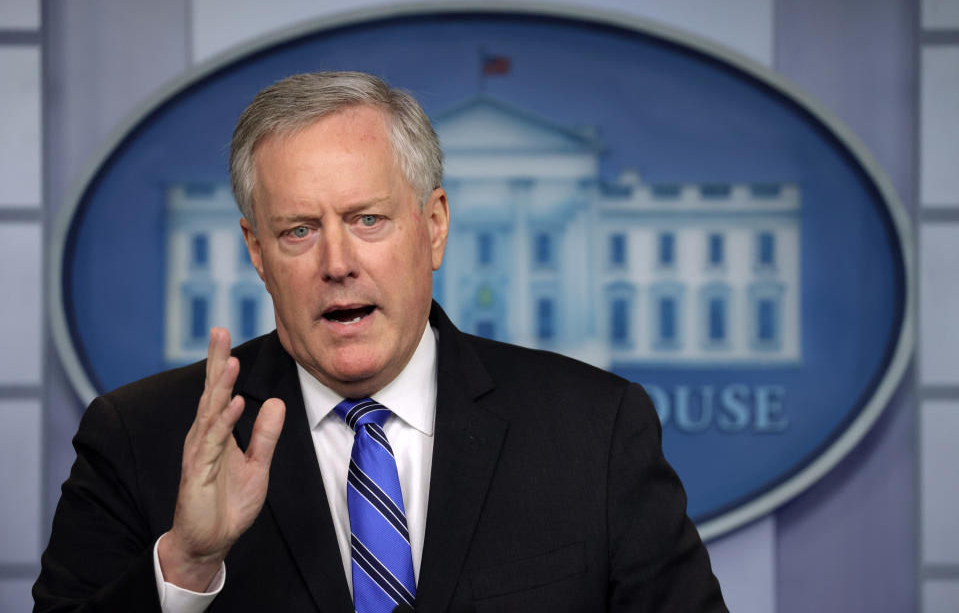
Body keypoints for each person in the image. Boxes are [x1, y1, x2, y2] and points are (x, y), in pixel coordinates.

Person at [34, 71, 727, 612]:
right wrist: (184, 568)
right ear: (256, 250)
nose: (336, 262)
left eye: (367, 219)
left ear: (433, 226)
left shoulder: (592, 429)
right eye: (298, 230)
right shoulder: (140, 436)